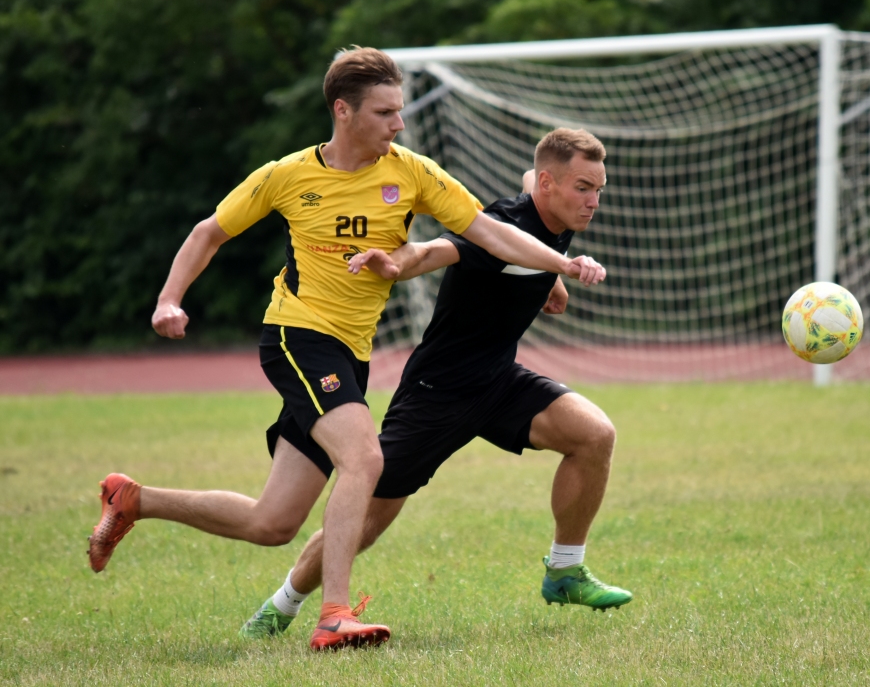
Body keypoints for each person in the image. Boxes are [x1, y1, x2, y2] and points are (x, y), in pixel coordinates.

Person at [87, 49, 607, 652]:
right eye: (386, 112)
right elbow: (210, 231)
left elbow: (490, 230)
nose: (399, 124)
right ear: (343, 110)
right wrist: (169, 299)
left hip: (349, 354)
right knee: (364, 459)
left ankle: (134, 500)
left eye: (400, 110)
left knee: (273, 523)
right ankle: (333, 615)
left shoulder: (413, 172)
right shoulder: (287, 175)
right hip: (297, 335)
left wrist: (558, 266)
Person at [237, 127, 632, 645]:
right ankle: (280, 605)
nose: (594, 201)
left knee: (594, 434)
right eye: (584, 187)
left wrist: (550, 281)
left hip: (498, 379)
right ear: (549, 185)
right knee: (368, 522)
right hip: (436, 392)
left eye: (599, 188)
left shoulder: (553, 209)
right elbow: (430, 252)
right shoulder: (502, 224)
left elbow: (531, 190)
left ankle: (564, 572)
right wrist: (394, 262)